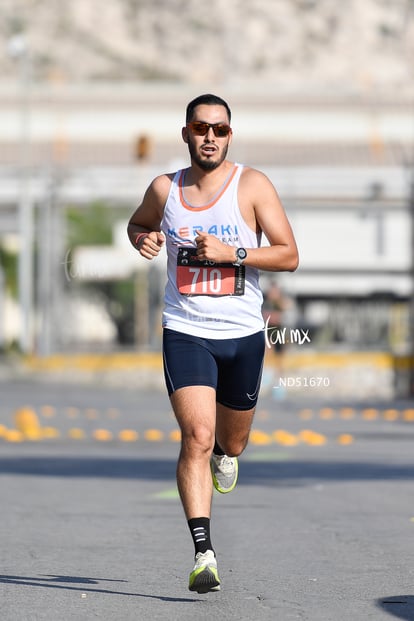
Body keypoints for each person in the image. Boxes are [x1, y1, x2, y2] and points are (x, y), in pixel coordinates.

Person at [127, 93, 298, 593]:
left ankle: (230, 451)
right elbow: (138, 224)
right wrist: (142, 238)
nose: (209, 137)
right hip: (185, 330)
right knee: (196, 437)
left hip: (243, 334)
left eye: (219, 129)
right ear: (186, 133)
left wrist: (233, 252)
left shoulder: (252, 186)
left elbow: (288, 255)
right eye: (201, 128)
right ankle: (204, 553)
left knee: (231, 441)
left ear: (229, 135)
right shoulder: (165, 189)